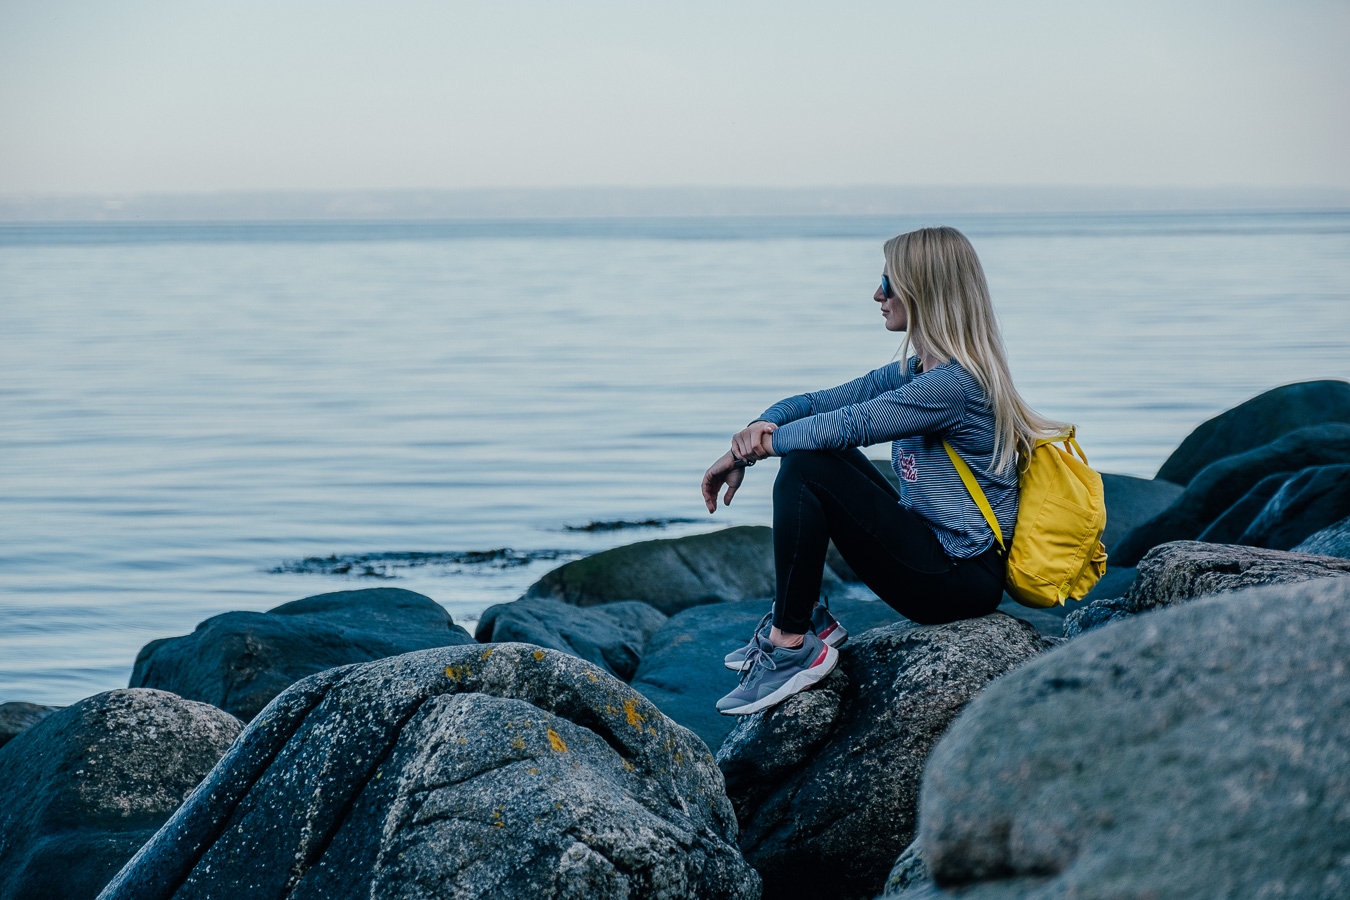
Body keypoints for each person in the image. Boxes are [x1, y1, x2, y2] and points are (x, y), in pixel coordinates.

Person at [701, 226, 1069, 716]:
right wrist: (758, 427)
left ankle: (789, 643)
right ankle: (806, 621)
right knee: (814, 457)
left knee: (809, 464)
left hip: (959, 578)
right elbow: (819, 403)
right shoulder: (916, 371)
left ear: (924, 289)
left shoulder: (954, 385)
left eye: (888, 282)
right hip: (940, 556)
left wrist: (754, 450)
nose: (878, 294)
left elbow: (855, 423)